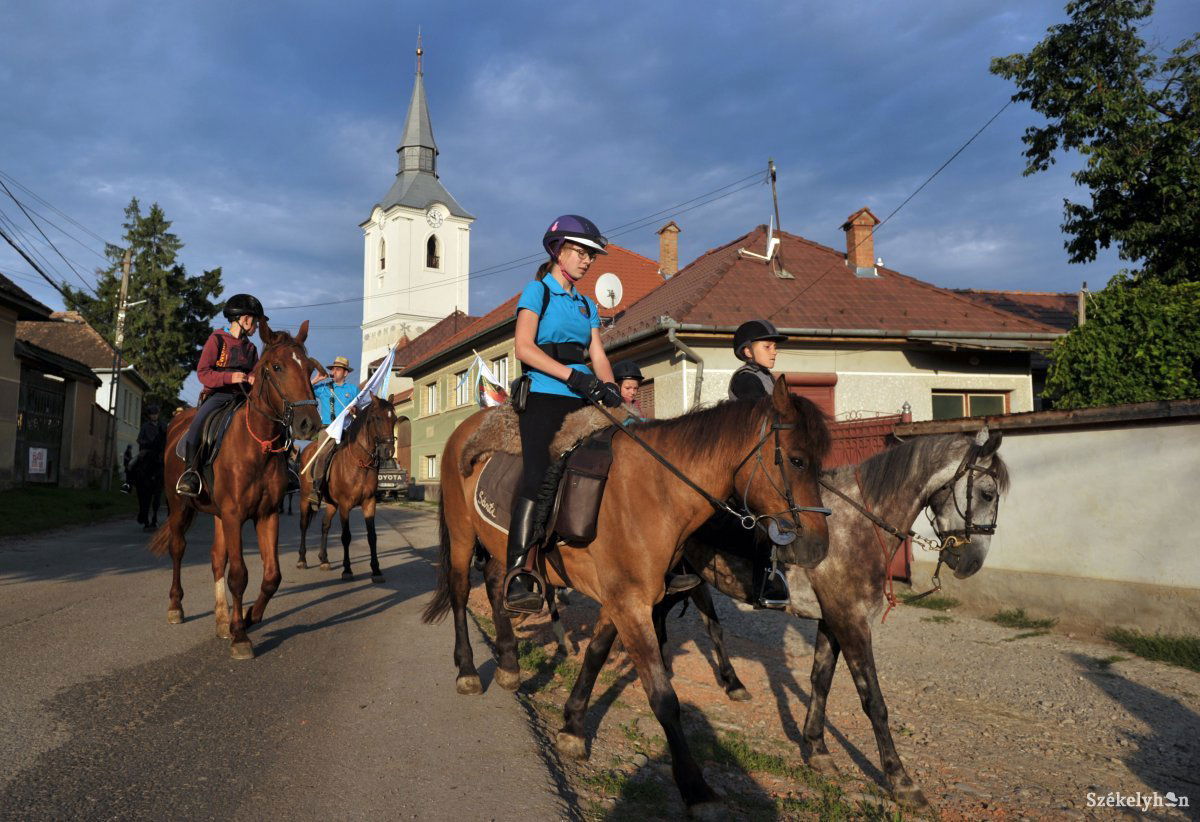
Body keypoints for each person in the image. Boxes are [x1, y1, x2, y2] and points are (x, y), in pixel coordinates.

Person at [504, 216, 697, 612]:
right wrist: (574, 378)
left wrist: (609, 389)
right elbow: (523, 348)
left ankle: (667, 560)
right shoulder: (537, 291)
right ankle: (519, 571)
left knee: (637, 459)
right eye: (580, 252)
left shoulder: (586, 304)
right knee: (539, 475)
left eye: (591, 255)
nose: (587, 261)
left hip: (584, 393)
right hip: (544, 394)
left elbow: (597, 354)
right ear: (558, 251)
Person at [176, 294, 266, 497]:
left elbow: (254, 370)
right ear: (244, 320)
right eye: (255, 322)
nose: (257, 327)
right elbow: (203, 373)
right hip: (218, 396)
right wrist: (230, 377)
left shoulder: (251, 348)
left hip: (244, 398)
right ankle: (191, 473)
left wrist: (252, 377)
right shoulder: (216, 339)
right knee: (198, 424)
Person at [729, 319, 791, 608]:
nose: (774, 351)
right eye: (767, 346)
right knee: (762, 513)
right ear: (747, 352)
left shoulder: (768, 377)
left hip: (765, 456)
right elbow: (765, 418)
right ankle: (765, 581)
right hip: (744, 455)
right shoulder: (745, 379)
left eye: (775, 346)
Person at [133, 405, 166, 529]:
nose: (154, 416)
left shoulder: (163, 426)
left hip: (159, 452)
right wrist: (146, 443)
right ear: (149, 415)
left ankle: (171, 484)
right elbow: (139, 439)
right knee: (132, 463)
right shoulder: (145, 426)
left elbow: (167, 438)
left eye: (155, 413)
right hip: (147, 450)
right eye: (152, 414)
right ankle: (128, 484)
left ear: (158, 414)